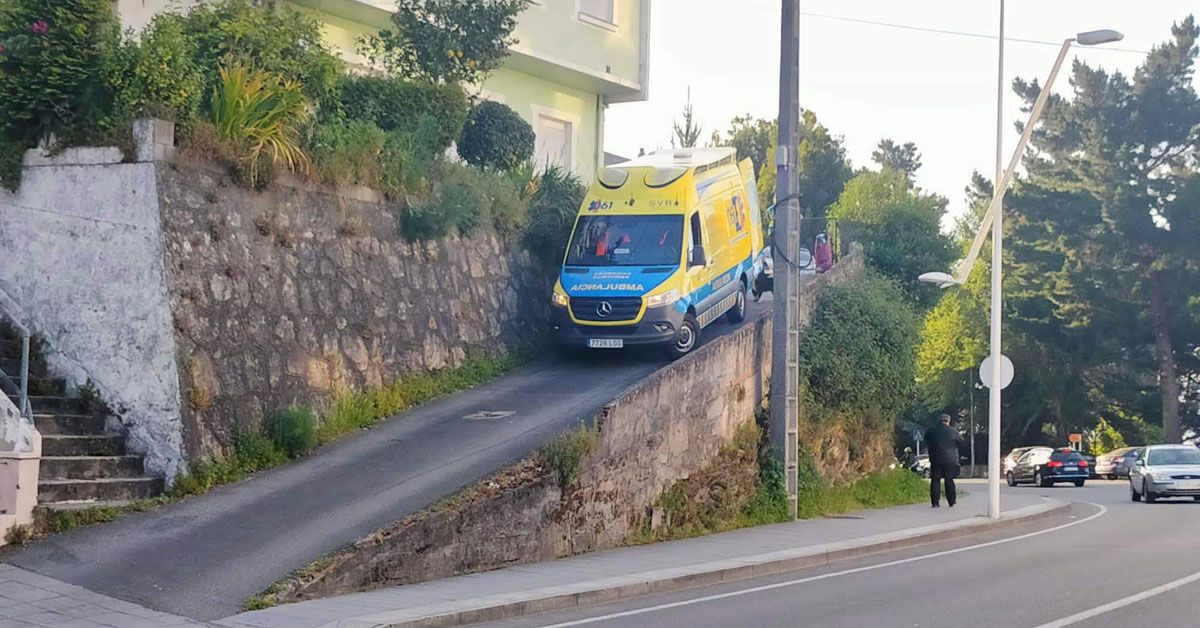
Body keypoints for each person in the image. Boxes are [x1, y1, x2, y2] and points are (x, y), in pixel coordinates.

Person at [924, 414, 965, 508]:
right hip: (950, 460)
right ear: (948, 421)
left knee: (935, 480)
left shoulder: (931, 431)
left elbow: (926, 441)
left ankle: (935, 502)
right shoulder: (953, 431)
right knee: (949, 480)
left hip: (935, 460)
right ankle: (951, 501)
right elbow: (962, 442)